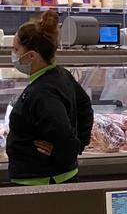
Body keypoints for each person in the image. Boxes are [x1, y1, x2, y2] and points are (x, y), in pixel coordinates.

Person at [7, 11, 93, 185]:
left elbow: (61, 131)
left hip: (42, 183)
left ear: (31, 56)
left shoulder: (43, 92)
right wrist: (80, 143)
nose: (13, 54)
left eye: (16, 49)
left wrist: (70, 150)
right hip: (52, 176)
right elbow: (85, 106)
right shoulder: (60, 74)